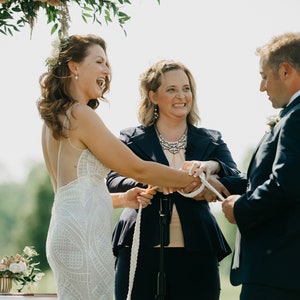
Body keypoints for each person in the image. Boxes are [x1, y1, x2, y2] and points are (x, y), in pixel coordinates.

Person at [36, 35, 202, 300]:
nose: (107, 70)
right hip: (83, 239)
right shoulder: (81, 114)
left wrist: (122, 199)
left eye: (107, 63)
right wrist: (192, 180)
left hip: (67, 231)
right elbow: (136, 168)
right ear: (74, 66)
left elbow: (73, 191)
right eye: (99, 61)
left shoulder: (55, 117)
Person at [106, 59, 240, 300]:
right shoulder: (131, 138)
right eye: (171, 89)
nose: (181, 96)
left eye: (186, 89)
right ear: (153, 96)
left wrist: (212, 167)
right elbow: (113, 178)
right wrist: (148, 182)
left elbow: (238, 179)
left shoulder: (211, 139)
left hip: (197, 250)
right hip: (139, 248)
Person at [220, 32, 300, 300]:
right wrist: (221, 179)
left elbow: (285, 184)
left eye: (264, 76)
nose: (262, 87)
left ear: (286, 71)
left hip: (279, 272)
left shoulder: (296, 117)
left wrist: (240, 208)